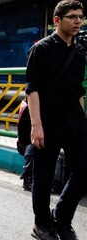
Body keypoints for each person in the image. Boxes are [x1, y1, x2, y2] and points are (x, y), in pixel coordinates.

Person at [25, 1, 86, 240]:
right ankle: (41, 224)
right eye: (72, 17)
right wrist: (36, 126)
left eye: (80, 17)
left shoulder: (79, 52)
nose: (78, 21)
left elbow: (78, 90)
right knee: (44, 176)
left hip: (75, 120)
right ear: (57, 20)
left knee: (83, 169)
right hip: (48, 121)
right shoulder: (41, 49)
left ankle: (61, 217)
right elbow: (32, 89)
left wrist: (82, 120)